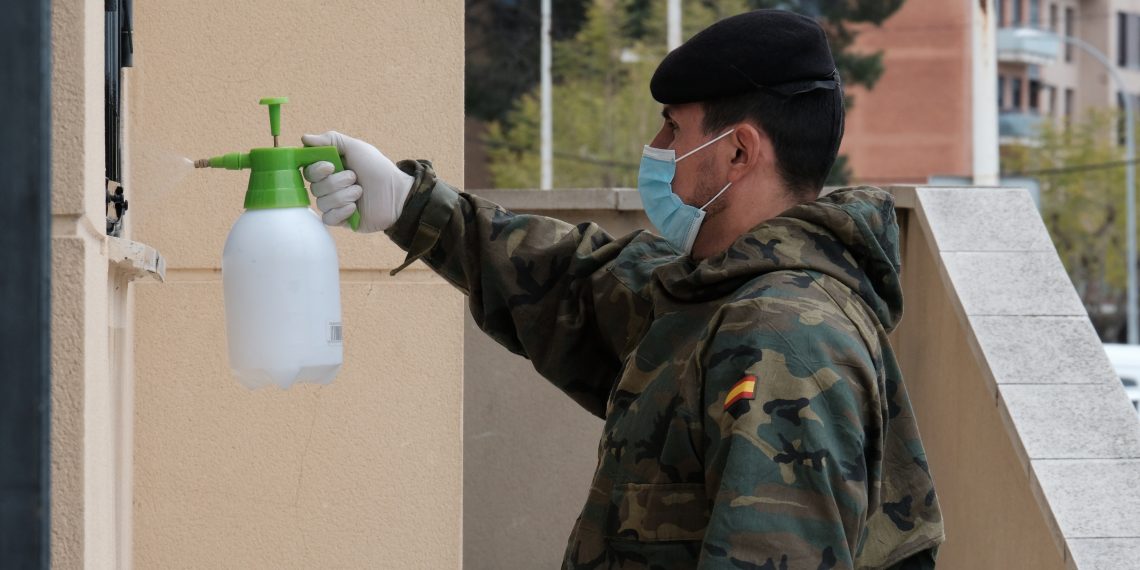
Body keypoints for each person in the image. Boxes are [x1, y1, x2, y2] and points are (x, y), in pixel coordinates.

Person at [302, 9, 943, 569]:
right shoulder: (712, 298)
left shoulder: (780, 340)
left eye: (674, 129)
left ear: (740, 152)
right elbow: (571, 281)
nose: (657, 148)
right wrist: (409, 203)